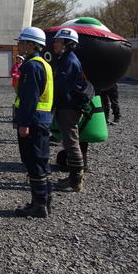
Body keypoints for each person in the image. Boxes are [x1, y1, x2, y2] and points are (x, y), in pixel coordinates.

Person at [13, 27, 53, 218]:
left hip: (33, 122)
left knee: (34, 162)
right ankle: (45, 200)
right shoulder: (44, 64)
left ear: (31, 45)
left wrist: (24, 123)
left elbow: (30, 98)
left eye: (21, 42)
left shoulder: (31, 66)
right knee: (41, 161)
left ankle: (39, 205)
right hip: (43, 120)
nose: (18, 45)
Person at [52, 28, 86, 193]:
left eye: (58, 41)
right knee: (69, 141)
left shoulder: (68, 61)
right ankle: (73, 178)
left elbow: (61, 87)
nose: (54, 44)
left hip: (69, 107)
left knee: (72, 143)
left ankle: (75, 181)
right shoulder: (64, 58)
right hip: (67, 106)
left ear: (66, 43)